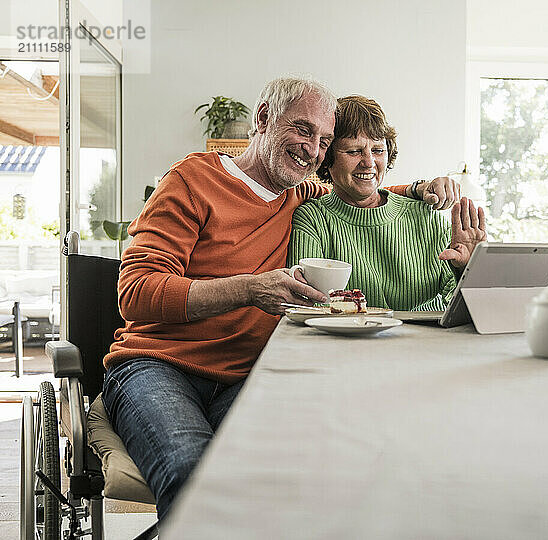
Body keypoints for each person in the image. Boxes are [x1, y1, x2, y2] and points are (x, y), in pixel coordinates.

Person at [101, 77, 461, 520]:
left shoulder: (300, 191)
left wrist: (423, 188)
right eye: (303, 130)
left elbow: (361, 189)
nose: (313, 149)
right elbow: (136, 292)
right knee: (194, 475)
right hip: (158, 366)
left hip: (250, 374)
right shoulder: (192, 181)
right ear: (264, 119)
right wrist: (250, 287)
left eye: (325, 140)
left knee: (301, 468)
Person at [288, 95, 487, 310]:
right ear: (327, 159)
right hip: (345, 343)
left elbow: (461, 305)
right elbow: (308, 305)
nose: (369, 163)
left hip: (425, 341)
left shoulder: (426, 217)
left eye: (378, 150)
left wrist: (469, 269)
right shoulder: (312, 219)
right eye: (354, 151)